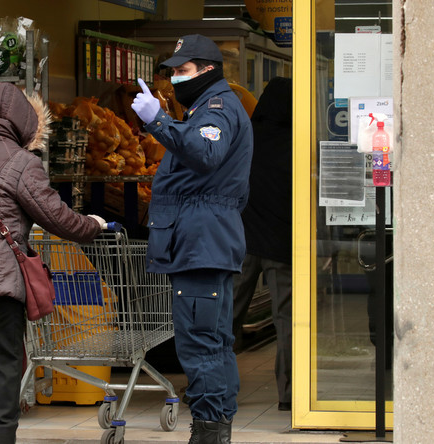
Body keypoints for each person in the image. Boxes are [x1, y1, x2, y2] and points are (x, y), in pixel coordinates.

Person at [0, 82, 107, 444]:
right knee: (8, 364)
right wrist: (94, 225)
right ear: (22, 122)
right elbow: (56, 217)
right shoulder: (20, 162)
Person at [131, 34, 253, 444]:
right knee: (213, 343)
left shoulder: (217, 108)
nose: (175, 79)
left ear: (208, 70)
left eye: (183, 71)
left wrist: (158, 120)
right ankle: (214, 429)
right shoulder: (208, 106)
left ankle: (209, 433)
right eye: (173, 72)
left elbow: (204, 153)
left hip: (201, 244)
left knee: (202, 346)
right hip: (203, 241)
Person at [231, 76, 293, 411]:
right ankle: (290, 395)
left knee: (226, 318)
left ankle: (212, 389)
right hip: (283, 244)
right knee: (287, 321)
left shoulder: (245, 139)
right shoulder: (296, 143)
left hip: (243, 243)